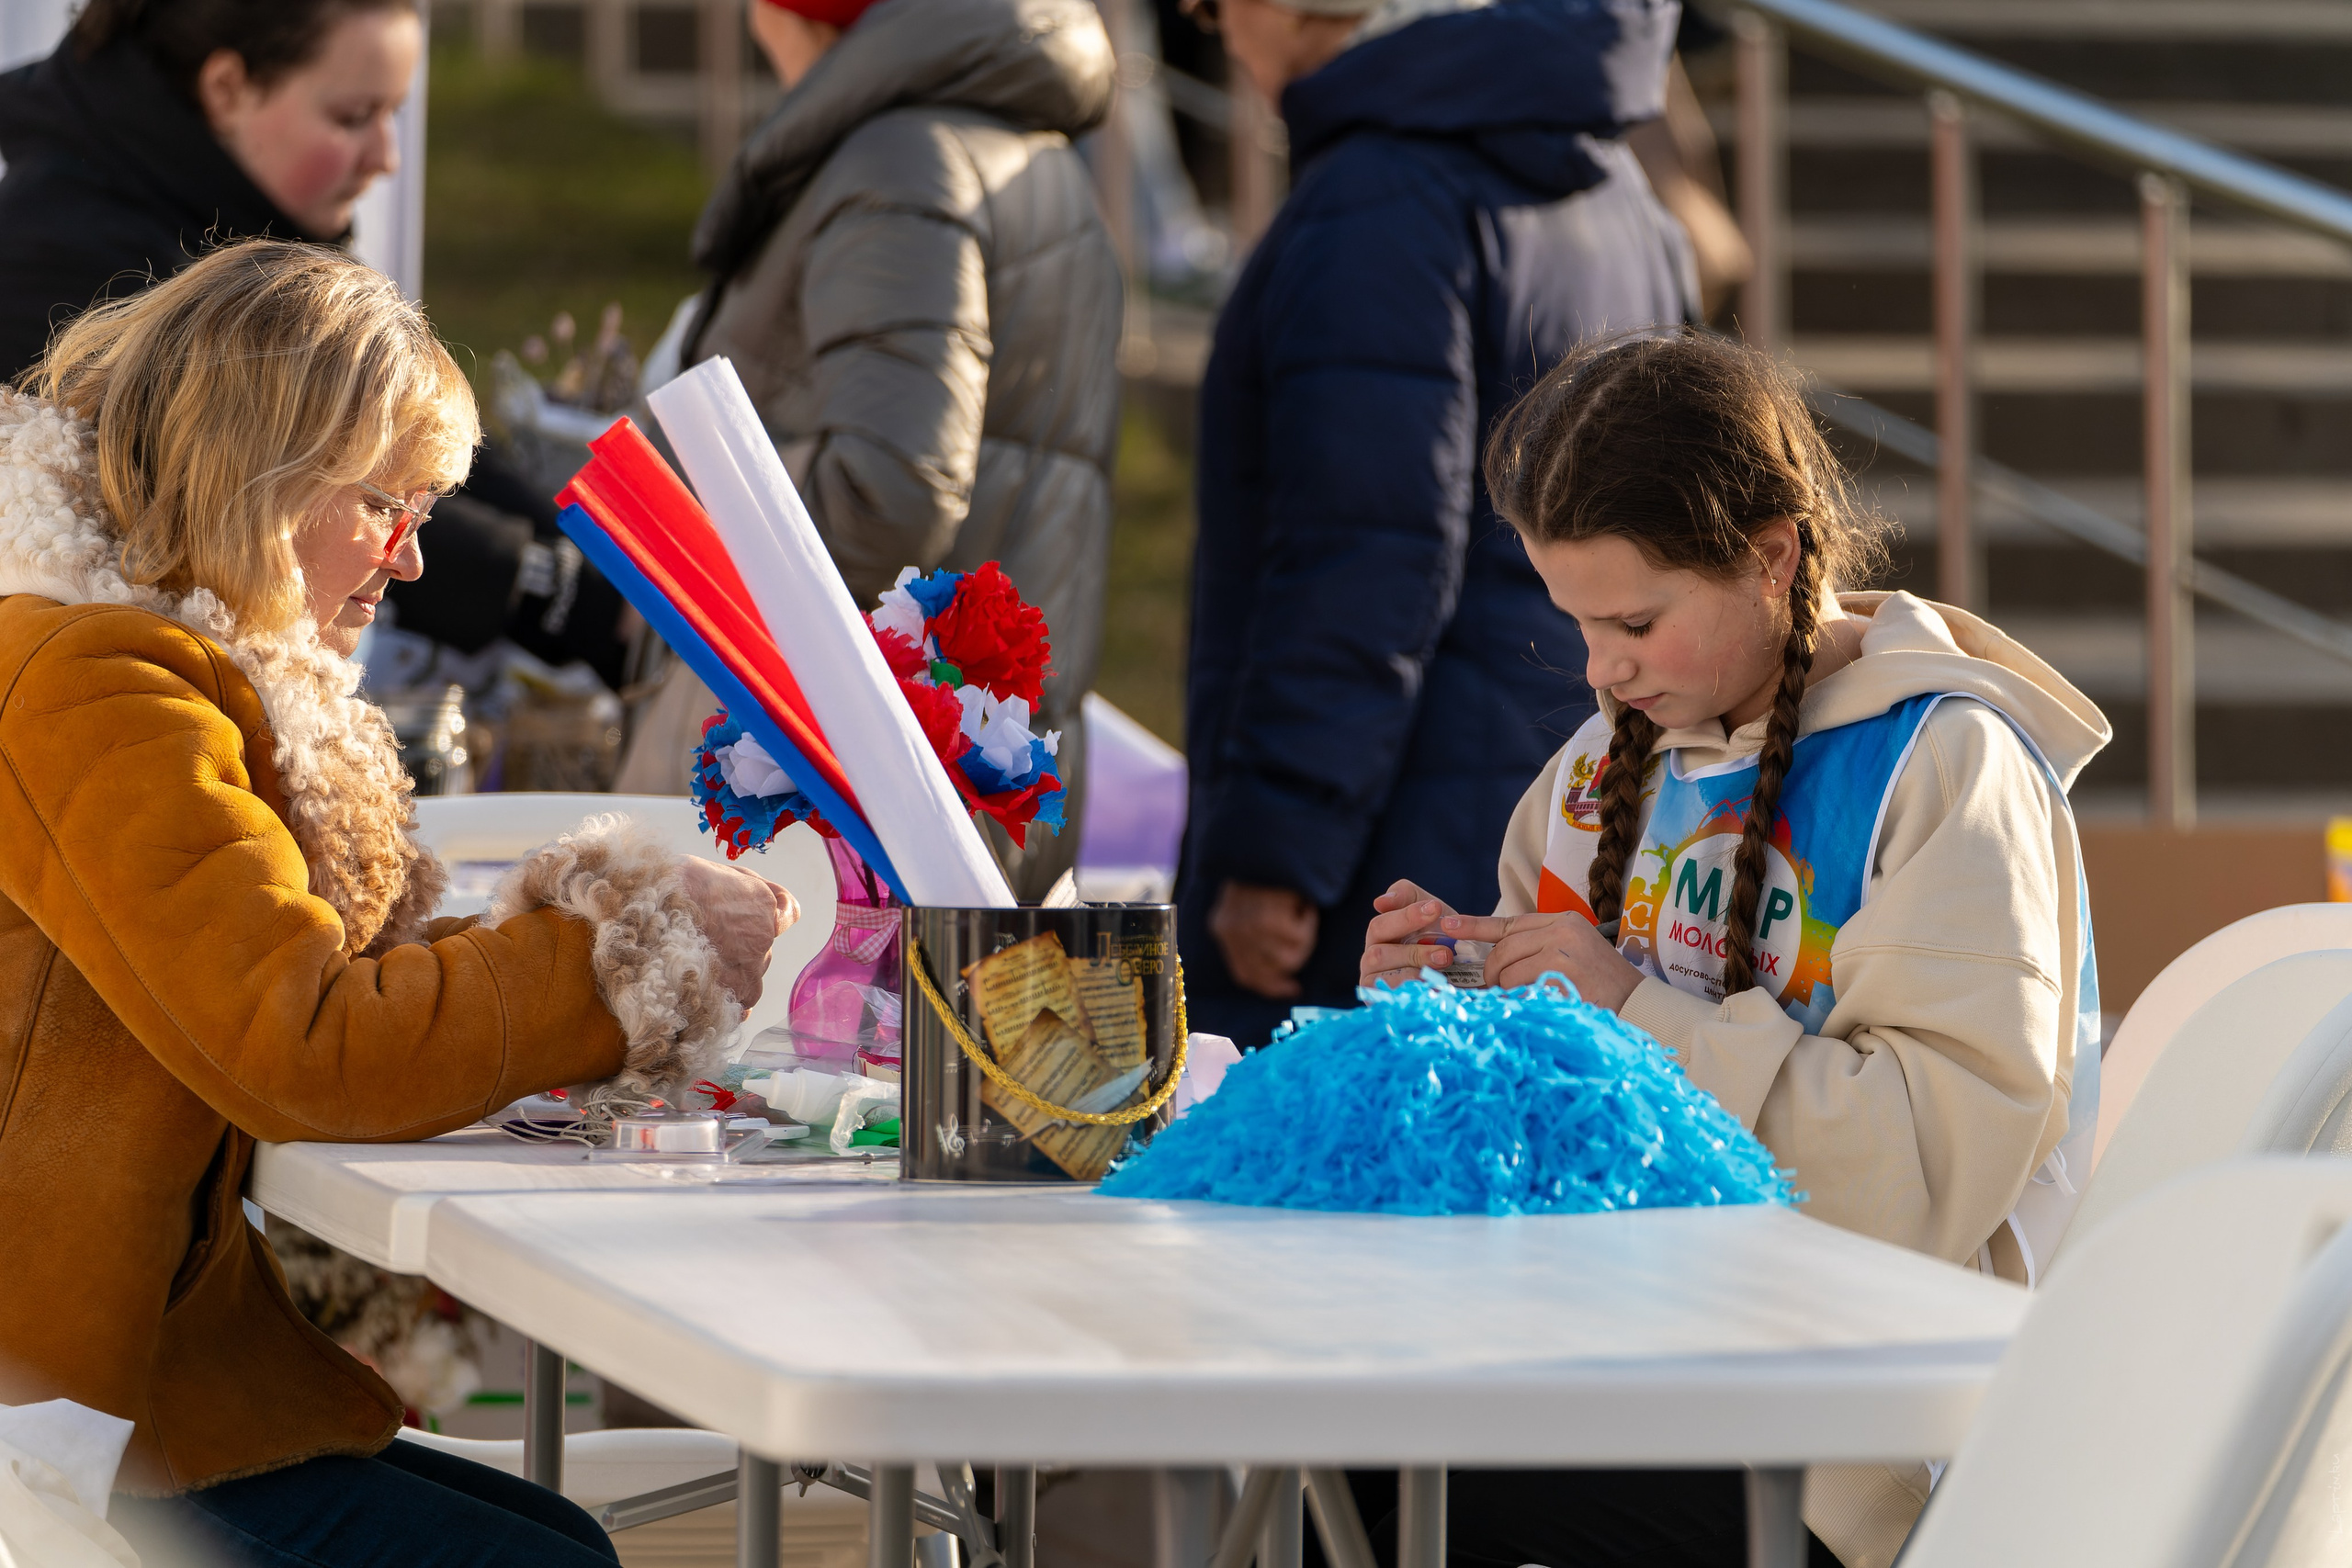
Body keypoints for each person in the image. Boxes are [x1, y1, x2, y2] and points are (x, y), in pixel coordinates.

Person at [0, 241, 794, 1566]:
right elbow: (307, 1043)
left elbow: (294, 995)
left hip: (122, 1371)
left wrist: (572, 950)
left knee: (557, 1536)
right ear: (265, 471)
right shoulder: (104, 687)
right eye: (388, 503)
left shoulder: (123, 658)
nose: (414, 558)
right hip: (52, 1419)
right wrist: (618, 958)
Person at [1357, 330, 2110, 1568]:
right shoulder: (1598, 771)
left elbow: (1921, 1174)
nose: (1601, 667)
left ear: (1771, 558)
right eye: (1576, 621)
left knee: (1420, 1490)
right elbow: (1530, 1123)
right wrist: (1445, 1005)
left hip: (1859, 1442)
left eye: (1635, 619)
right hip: (1618, 1353)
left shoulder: (1943, 766)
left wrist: (1629, 1010)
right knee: (1331, 1449)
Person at [1177, 0, 1699, 1046]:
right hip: (1578, 809)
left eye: (1209, 5)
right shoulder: (1619, 185)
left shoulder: (1378, 195)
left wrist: (1278, 847)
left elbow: (1362, 559)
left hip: (1388, 861)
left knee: (1348, 1136)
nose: (1215, 32)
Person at [615, 0, 1123, 901]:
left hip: (855, 811)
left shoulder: (904, 162)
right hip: (959, 768)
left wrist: (690, 521)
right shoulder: (1010, 146)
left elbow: (887, 491)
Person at [0, 0, 636, 685]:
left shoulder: (233, 212)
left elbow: (395, 438)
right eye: (354, 117)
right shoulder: (65, 257)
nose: (387, 157)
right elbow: (295, 468)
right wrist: (559, 594)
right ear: (227, 88)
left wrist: (607, 566)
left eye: (393, 115)